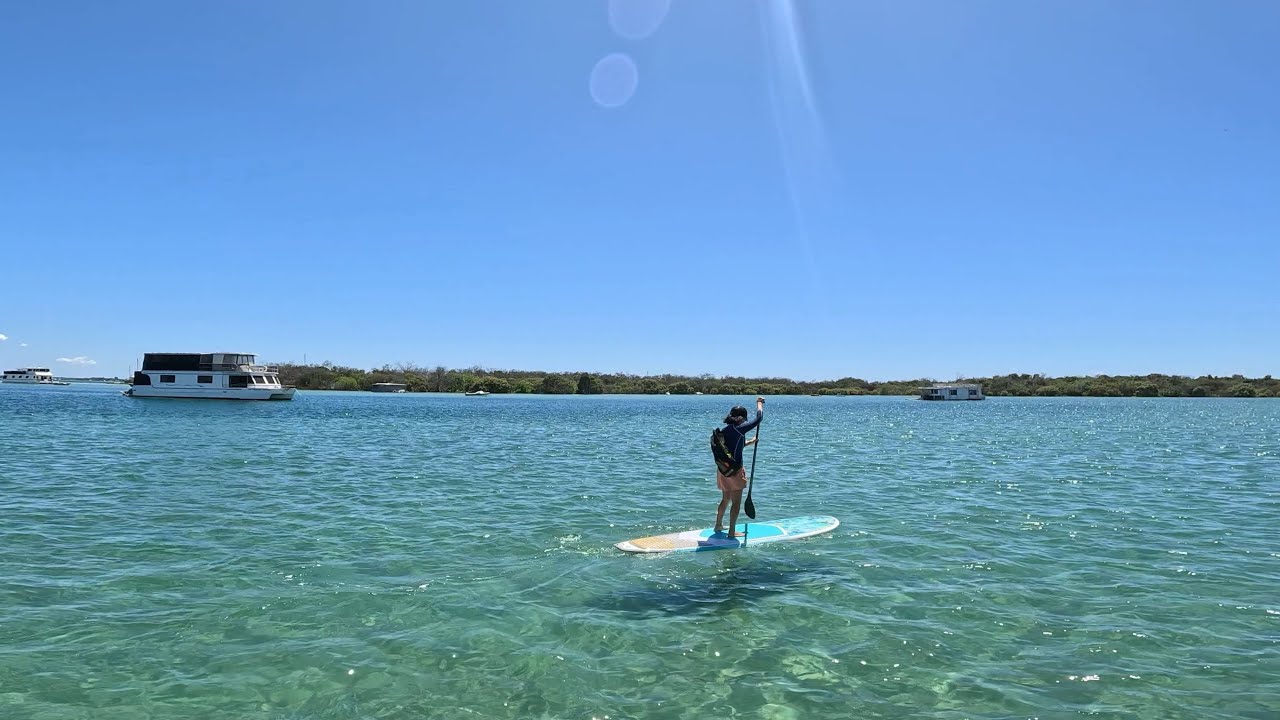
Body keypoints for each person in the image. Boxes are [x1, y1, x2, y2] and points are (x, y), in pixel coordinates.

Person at [714, 397, 764, 538]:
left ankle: (718, 525)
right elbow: (759, 418)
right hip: (735, 472)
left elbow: (732, 448)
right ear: (741, 418)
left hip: (723, 470)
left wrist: (749, 442)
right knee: (736, 503)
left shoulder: (726, 429)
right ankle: (731, 532)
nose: (745, 421)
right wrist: (759, 404)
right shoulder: (740, 428)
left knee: (725, 499)